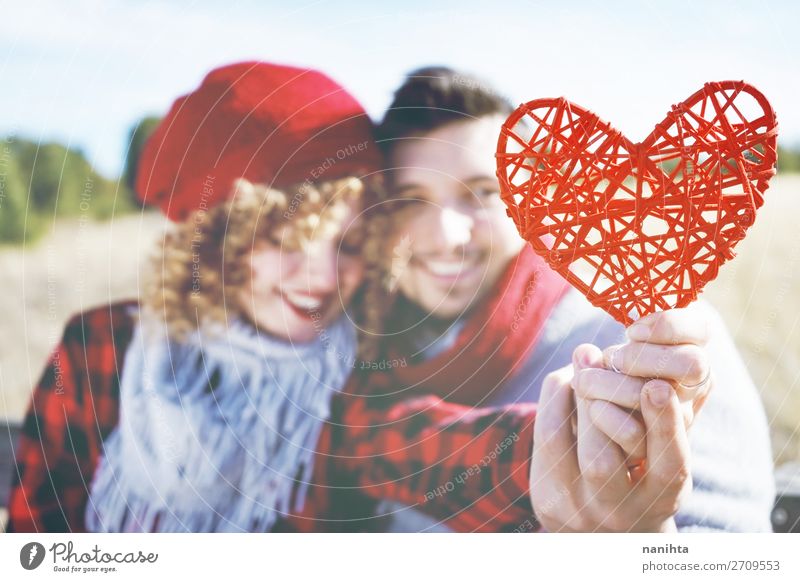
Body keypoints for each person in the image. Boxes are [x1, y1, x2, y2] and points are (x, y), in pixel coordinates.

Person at [336, 66, 775, 532]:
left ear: (530, 197)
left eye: (483, 191)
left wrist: (634, 537)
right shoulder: (359, 355)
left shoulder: (647, 346)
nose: (447, 235)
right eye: (411, 199)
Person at [7, 61, 385, 532]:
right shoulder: (103, 346)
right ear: (214, 240)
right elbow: (37, 529)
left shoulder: (360, 377)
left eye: (350, 245)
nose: (327, 277)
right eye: (287, 240)